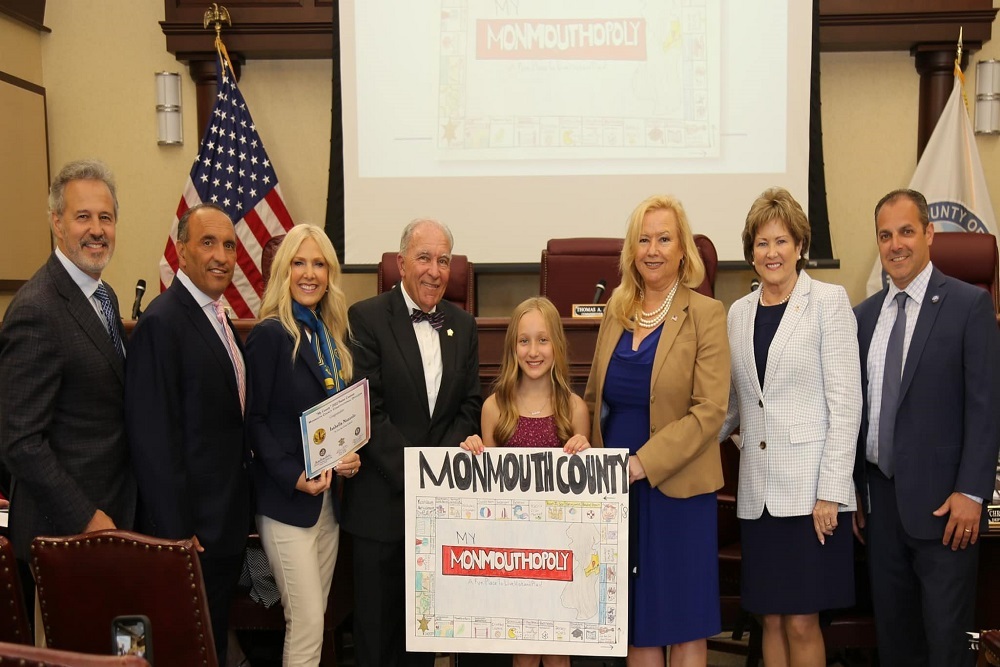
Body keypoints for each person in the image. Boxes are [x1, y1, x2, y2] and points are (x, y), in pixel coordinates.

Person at [853, 189, 1000, 667]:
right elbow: (856, 411)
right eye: (885, 235)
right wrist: (855, 489)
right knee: (895, 645)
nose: (896, 245)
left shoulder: (968, 307)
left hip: (945, 512)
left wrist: (971, 494)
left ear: (930, 234)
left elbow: (986, 407)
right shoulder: (864, 316)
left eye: (907, 231)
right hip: (880, 505)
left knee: (945, 647)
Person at [584, 195, 729, 667]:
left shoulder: (706, 313)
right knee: (637, 620)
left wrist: (642, 464)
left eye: (664, 238)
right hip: (616, 490)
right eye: (643, 239)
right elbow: (592, 397)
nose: (653, 249)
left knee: (684, 622)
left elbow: (709, 412)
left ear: (683, 249)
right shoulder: (616, 310)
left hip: (678, 489)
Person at [719, 187, 860, 666]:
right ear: (751, 253)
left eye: (781, 241)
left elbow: (846, 403)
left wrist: (831, 492)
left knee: (802, 619)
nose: (771, 252)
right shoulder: (738, 313)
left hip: (811, 497)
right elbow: (736, 407)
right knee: (770, 618)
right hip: (759, 495)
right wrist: (680, 444)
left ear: (800, 246)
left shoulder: (828, 302)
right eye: (761, 243)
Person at [0, 159, 135, 627]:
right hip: (62, 537)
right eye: (83, 217)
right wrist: (85, 517)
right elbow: (20, 441)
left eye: (105, 217)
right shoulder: (36, 309)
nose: (96, 230)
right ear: (57, 222)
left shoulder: (104, 296)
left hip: (108, 525)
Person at [343, 218, 482, 667]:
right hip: (381, 511)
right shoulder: (365, 317)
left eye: (444, 260)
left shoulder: (464, 324)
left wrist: (436, 473)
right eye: (424, 258)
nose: (435, 270)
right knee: (376, 644)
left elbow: (469, 406)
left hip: (436, 518)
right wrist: (419, 474)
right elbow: (369, 411)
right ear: (401, 263)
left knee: (422, 645)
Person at [125, 203, 250, 666]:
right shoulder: (162, 322)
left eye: (230, 245)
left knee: (209, 643)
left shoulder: (219, 318)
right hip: (191, 535)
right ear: (181, 250)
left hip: (223, 526)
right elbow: (153, 440)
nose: (221, 255)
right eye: (208, 242)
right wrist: (178, 533)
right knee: (185, 650)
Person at [245, 224, 362, 666]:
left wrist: (349, 456)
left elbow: (337, 419)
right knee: (307, 622)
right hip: (286, 503)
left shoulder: (329, 337)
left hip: (328, 504)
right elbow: (254, 423)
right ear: (283, 269)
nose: (309, 274)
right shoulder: (271, 335)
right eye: (299, 263)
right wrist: (294, 476)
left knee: (317, 622)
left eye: (319, 264)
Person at [460, 296, 589, 667]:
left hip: (561, 552)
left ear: (557, 346)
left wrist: (585, 448)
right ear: (512, 347)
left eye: (543, 340)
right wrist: (473, 453)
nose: (533, 351)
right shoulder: (495, 408)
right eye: (524, 340)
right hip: (516, 553)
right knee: (525, 651)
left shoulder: (574, 408)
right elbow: (488, 490)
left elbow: (590, 494)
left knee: (558, 652)